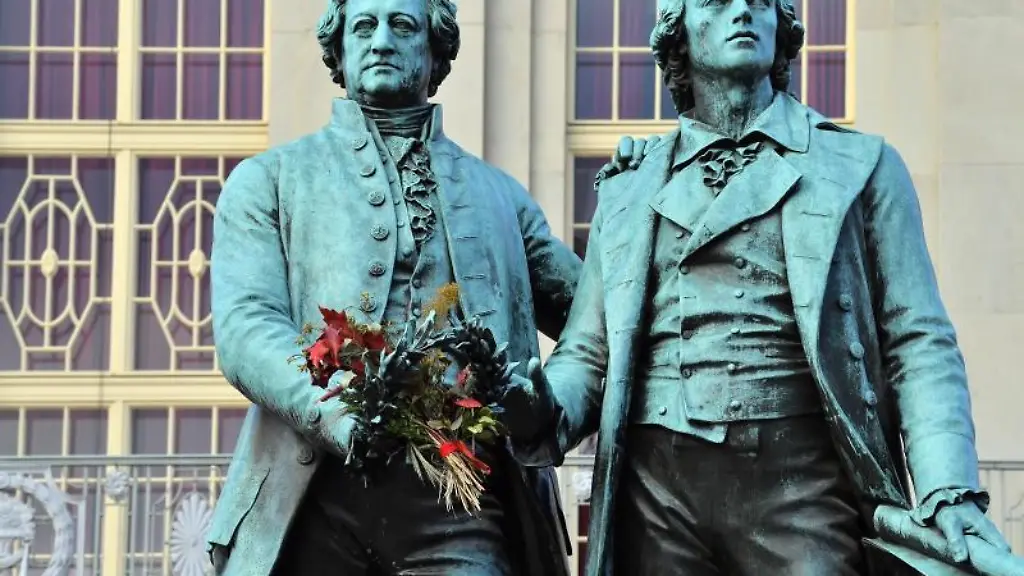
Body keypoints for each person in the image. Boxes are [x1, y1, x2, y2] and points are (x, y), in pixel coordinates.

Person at [501, 0, 1012, 574]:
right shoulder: (630, 187)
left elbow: (917, 340)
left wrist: (949, 487)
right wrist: (543, 408)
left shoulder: (861, 164)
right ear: (680, 34)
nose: (743, 10)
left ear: (783, 29)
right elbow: (589, 353)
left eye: (763, 2)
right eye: (717, 3)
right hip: (656, 492)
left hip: (801, 487)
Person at [205, 0, 649, 574]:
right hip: (312, 498)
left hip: (465, 508)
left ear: (437, 49)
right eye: (364, 26)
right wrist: (337, 410)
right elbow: (245, 327)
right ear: (338, 48)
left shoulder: (502, 198)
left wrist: (639, 198)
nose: (382, 41)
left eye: (403, 25)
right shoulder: (270, 181)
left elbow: (604, 322)